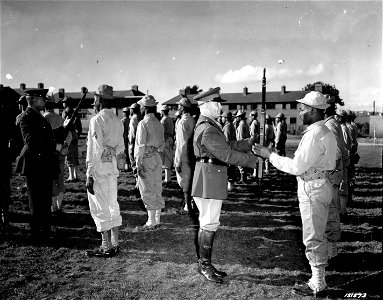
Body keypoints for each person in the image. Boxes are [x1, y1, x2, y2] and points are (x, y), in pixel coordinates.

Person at [253, 91, 337, 296]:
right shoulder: (325, 131)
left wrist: (269, 155)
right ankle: (318, 276)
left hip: (312, 188)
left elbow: (297, 167)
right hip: (322, 184)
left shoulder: (315, 134)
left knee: (312, 235)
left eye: (303, 108)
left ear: (315, 111)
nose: (300, 112)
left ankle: (318, 283)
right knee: (319, 232)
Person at [191, 87, 259, 283]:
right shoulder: (208, 128)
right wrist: (252, 160)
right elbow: (226, 155)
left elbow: (226, 146)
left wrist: (247, 143)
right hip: (209, 178)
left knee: (209, 222)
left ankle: (205, 264)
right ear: (205, 105)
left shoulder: (209, 125)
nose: (220, 106)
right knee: (209, 222)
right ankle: (204, 266)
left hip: (209, 176)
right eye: (217, 103)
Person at [85, 84, 125, 258]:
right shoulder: (118, 120)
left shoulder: (96, 120)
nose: (94, 102)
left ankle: (106, 246)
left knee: (99, 206)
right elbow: (121, 148)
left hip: (100, 168)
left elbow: (95, 149)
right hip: (113, 166)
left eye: (95, 98)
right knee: (112, 204)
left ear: (100, 100)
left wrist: (89, 173)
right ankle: (115, 243)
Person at [15, 89, 60, 239]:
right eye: (41, 99)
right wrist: (53, 146)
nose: (44, 101)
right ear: (33, 100)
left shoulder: (38, 117)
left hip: (43, 162)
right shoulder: (26, 117)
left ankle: (45, 228)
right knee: (36, 198)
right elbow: (31, 142)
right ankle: (37, 230)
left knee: (45, 197)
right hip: (34, 164)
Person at [323, 96, 350, 268]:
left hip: (330, 174)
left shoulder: (330, 125)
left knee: (330, 211)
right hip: (333, 173)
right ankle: (330, 250)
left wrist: (327, 168)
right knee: (329, 210)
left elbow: (338, 152)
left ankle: (331, 252)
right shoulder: (331, 123)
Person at [134, 95, 165, 230]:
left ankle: (151, 220)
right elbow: (162, 143)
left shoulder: (143, 123)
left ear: (145, 108)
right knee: (157, 186)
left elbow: (140, 145)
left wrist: (138, 163)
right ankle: (157, 218)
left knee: (147, 187)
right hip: (157, 156)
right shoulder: (159, 123)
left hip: (146, 157)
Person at [43, 97, 72, 214]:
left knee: (50, 180)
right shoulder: (60, 118)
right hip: (60, 153)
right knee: (60, 179)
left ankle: (53, 207)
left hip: (49, 154)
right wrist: (63, 145)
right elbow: (69, 136)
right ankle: (59, 206)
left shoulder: (44, 118)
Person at [174, 97, 197, 215]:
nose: (178, 107)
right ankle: (190, 203)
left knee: (184, 180)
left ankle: (188, 205)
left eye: (179, 106)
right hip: (192, 153)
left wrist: (178, 160)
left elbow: (182, 143)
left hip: (183, 154)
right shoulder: (192, 120)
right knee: (191, 179)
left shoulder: (183, 122)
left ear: (183, 108)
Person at [61, 96, 82, 182]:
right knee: (75, 155)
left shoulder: (65, 112)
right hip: (75, 134)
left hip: (68, 135)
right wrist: (77, 134)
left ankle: (71, 176)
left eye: (64, 102)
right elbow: (79, 127)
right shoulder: (74, 112)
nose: (63, 104)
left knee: (69, 156)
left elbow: (63, 125)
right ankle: (76, 175)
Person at [221, 110, 237, 191]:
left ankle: (229, 186)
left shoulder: (227, 127)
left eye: (223, 117)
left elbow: (227, 140)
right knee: (231, 167)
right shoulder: (230, 125)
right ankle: (231, 185)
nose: (222, 119)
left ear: (226, 118)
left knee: (228, 168)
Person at [128, 102, 142, 191]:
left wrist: (131, 143)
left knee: (133, 162)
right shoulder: (141, 118)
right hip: (139, 143)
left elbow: (133, 133)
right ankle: (139, 181)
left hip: (133, 143)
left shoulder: (134, 119)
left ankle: (137, 182)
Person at [160, 105, 175, 184]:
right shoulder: (170, 119)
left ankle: (167, 178)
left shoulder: (163, 120)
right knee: (169, 158)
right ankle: (168, 177)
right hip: (170, 139)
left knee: (166, 159)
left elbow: (161, 131)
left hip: (165, 140)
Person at [235, 110, 251, 183]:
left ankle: (243, 178)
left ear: (240, 117)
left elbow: (240, 137)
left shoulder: (241, 125)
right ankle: (244, 178)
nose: (236, 118)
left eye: (237, 117)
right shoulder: (245, 124)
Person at [249, 110, 260, 178]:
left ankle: (255, 173)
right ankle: (256, 172)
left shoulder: (253, 123)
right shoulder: (258, 122)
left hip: (254, 142)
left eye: (251, 116)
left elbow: (252, 134)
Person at [121, 107, 131, 171]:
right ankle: (129, 165)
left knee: (125, 151)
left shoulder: (123, 121)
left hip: (124, 137)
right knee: (129, 151)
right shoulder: (130, 120)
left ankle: (126, 166)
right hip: (129, 137)